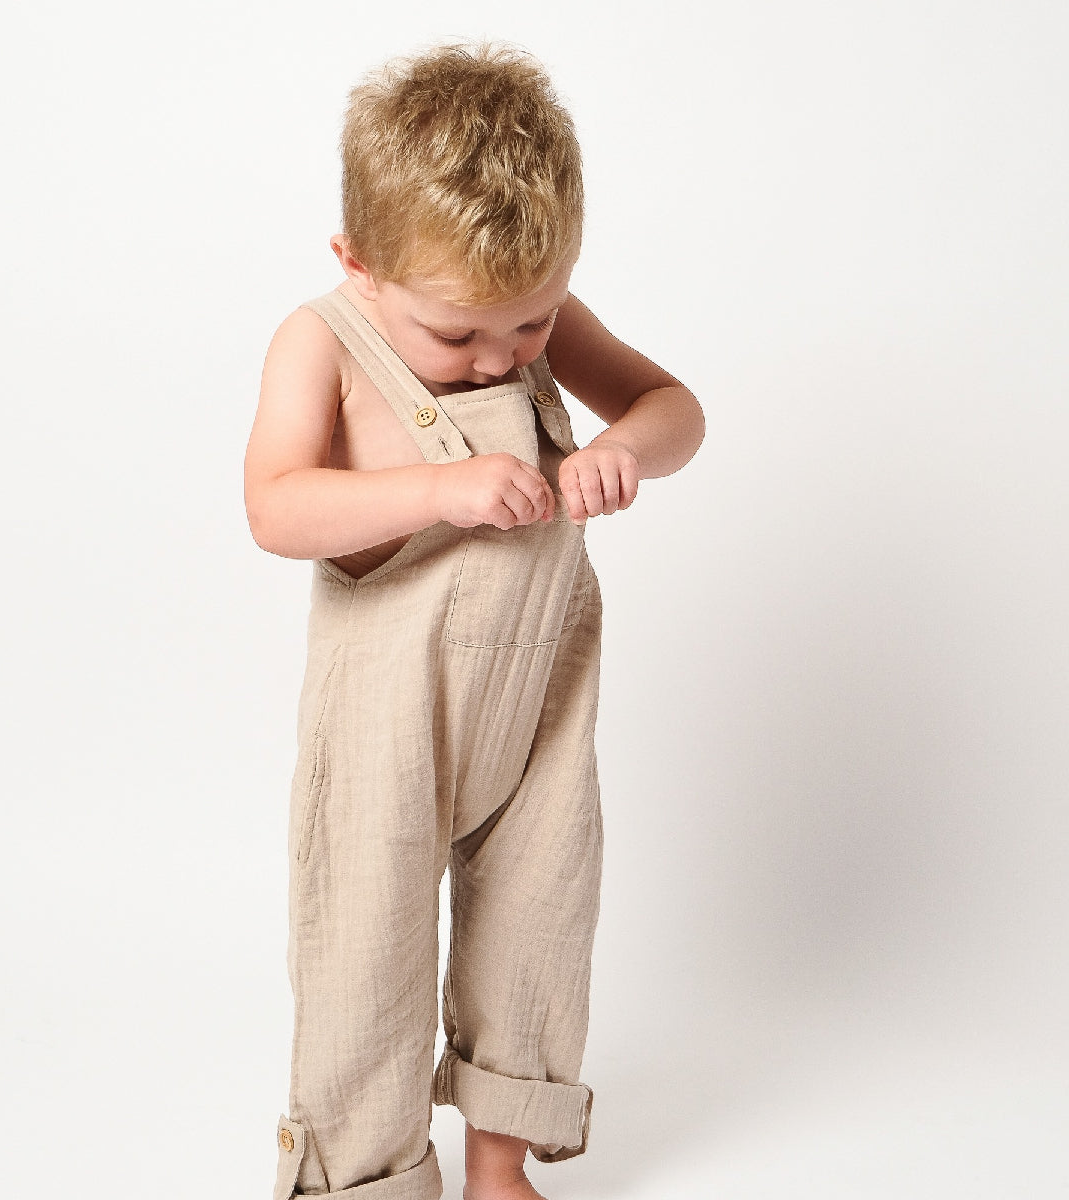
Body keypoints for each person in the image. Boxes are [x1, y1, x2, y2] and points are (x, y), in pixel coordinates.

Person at [245, 42, 704, 1200]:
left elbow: (677, 409)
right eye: (459, 337)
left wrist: (617, 449)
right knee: (368, 953)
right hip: (388, 715)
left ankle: (502, 1162)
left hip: (540, 694)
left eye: (533, 328)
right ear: (359, 265)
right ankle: (370, 1177)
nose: (501, 357)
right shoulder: (323, 345)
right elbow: (275, 504)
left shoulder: (520, 302)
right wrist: (435, 490)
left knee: (538, 922)